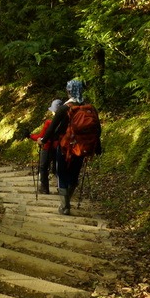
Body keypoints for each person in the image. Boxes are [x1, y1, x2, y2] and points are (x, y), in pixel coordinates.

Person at [39, 80, 102, 214]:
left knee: (62, 174)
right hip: (81, 147)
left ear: (69, 91)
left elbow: (52, 128)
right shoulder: (90, 108)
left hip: (65, 147)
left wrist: (43, 140)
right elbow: (98, 130)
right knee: (74, 174)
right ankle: (67, 200)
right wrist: (97, 146)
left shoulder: (64, 108)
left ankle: (65, 206)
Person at [29, 98, 63, 194]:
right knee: (58, 169)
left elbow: (41, 137)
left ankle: (44, 189)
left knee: (43, 167)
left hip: (48, 148)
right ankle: (62, 188)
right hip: (60, 148)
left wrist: (30, 136)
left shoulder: (49, 123)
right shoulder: (65, 122)